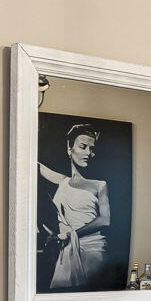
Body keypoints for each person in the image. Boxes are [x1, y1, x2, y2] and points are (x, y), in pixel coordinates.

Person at [40, 122, 111, 289]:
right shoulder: (63, 181)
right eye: (83, 146)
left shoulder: (100, 185)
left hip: (92, 248)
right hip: (65, 249)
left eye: (92, 149)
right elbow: (34, 165)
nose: (88, 152)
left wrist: (68, 235)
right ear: (69, 149)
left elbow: (105, 220)